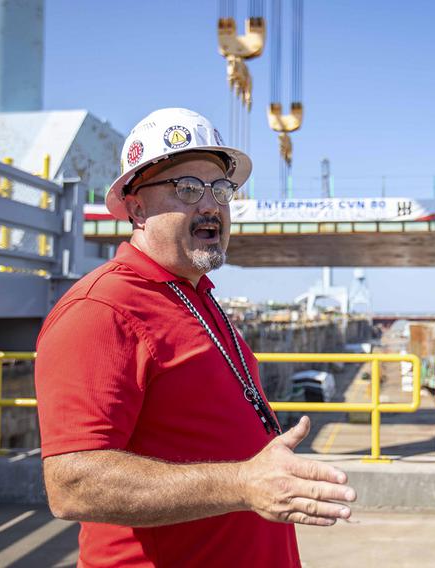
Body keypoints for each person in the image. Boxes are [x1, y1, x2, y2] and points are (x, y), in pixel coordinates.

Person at [35, 108, 355, 567]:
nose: (210, 205)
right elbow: (72, 483)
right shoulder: (101, 310)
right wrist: (242, 483)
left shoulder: (195, 296)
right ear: (136, 206)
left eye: (221, 189)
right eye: (186, 188)